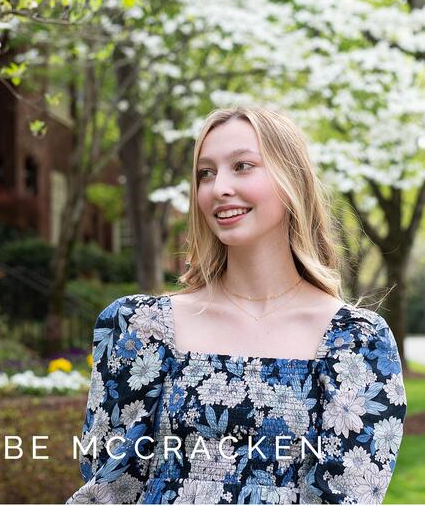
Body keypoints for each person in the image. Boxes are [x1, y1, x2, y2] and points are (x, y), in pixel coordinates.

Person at [66, 106, 407, 504]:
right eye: (205, 173)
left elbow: (350, 496)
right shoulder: (141, 329)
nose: (218, 187)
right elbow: (108, 488)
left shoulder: (355, 343)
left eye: (242, 166)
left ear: (291, 179)